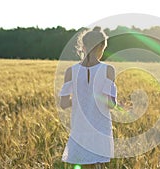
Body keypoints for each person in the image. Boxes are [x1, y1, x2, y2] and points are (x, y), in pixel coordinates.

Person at [59, 26, 117, 169]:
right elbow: (111, 104)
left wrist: (80, 99)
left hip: (79, 129)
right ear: (102, 46)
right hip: (100, 129)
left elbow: (63, 103)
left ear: (83, 47)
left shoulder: (70, 71)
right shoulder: (108, 70)